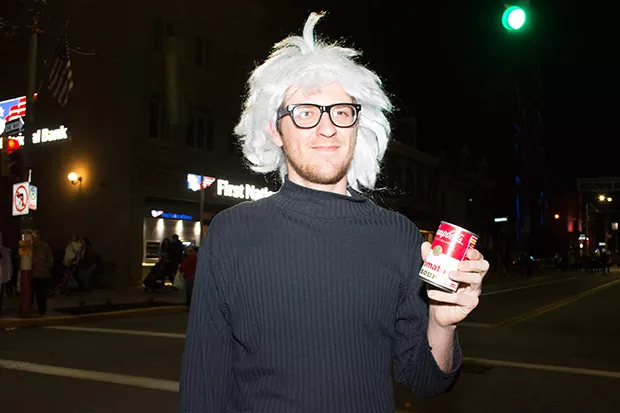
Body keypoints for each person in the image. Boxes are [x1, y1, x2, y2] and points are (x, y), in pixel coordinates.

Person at [180, 12, 489, 413]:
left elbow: (427, 381)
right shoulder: (230, 232)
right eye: (305, 112)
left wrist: (442, 323)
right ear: (275, 130)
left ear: (358, 124)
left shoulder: (399, 235)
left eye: (341, 111)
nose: (327, 128)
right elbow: (203, 384)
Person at [31, 230, 54, 315]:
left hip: (42, 275)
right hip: (32, 275)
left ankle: (42, 310)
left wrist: (45, 268)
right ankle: (31, 308)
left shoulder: (45, 247)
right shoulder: (29, 247)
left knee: (41, 294)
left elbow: (50, 260)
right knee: (30, 294)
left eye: (33, 236)